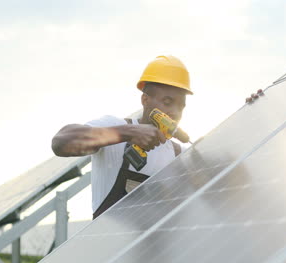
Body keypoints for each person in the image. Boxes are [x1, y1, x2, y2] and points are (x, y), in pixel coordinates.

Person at [51, 55, 193, 219]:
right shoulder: (115, 127)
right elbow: (61, 143)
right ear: (145, 100)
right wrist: (128, 133)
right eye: (167, 102)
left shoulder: (178, 154)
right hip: (107, 243)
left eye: (180, 107)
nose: (174, 112)